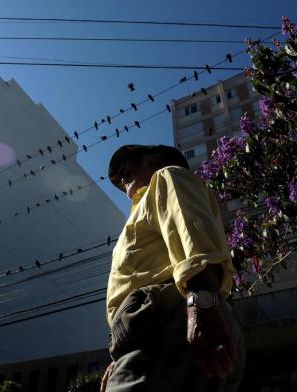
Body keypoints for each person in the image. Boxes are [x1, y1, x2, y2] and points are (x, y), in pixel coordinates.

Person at [101, 145, 245, 392]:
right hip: (148, 332)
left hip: (170, 318)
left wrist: (201, 303)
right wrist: (119, 355)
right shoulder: (142, 208)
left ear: (156, 159)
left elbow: (193, 236)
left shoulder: (167, 176)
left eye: (129, 167)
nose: (123, 176)